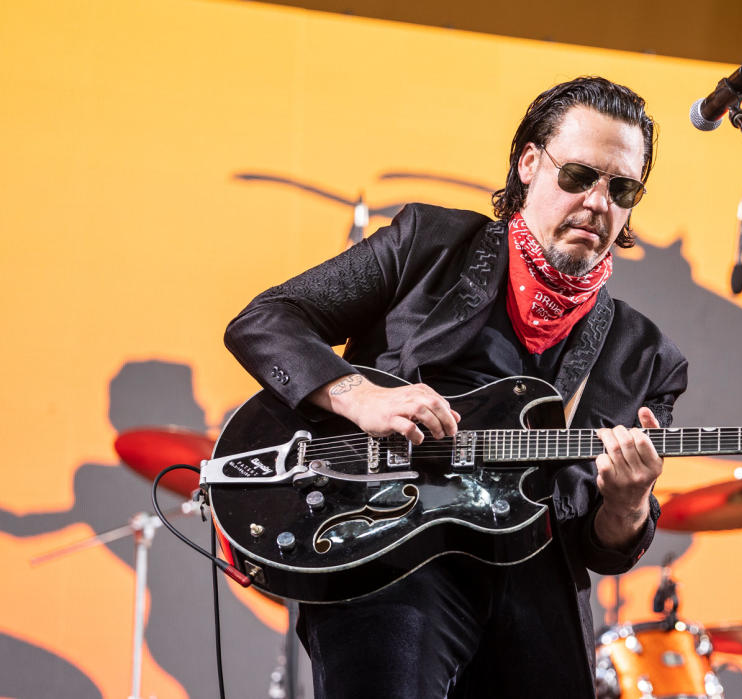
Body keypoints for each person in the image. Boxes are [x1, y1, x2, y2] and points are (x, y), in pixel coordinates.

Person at [223, 76, 688, 697]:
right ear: (530, 164)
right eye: (579, 176)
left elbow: (601, 549)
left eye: (621, 187)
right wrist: (362, 397)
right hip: (389, 547)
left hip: (532, 579)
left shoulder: (647, 357)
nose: (599, 203)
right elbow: (264, 321)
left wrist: (628, 506)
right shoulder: (429, 245)